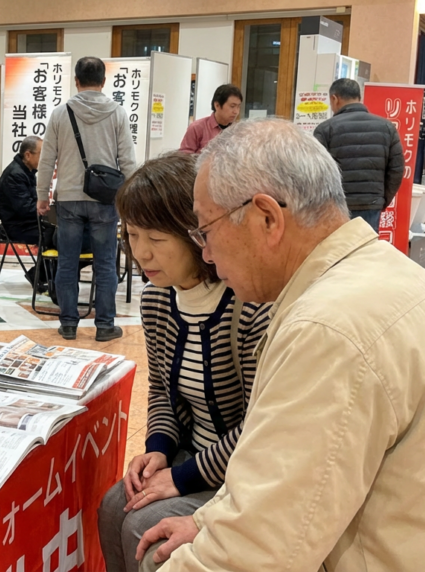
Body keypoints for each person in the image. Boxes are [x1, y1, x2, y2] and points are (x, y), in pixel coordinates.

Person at [133, 118, 425, 571]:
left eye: (206, 231)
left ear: (267, 218)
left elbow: (254, 556)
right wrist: (211, 519)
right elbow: (288, 487)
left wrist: (211, 531)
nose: (207, 254)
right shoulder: (384, 272)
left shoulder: (328, 328)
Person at [97, 153, 271, 572]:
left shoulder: (247, 305)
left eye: (156, 239)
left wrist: (180, 478)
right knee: (112, 505)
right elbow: (161, 390)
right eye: (132, 236)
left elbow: (258, 428)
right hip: (190, 456)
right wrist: (158, 449)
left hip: (241, 475)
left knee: (146, 527)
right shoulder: (158, 300)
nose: (141, 253)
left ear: (196, 236)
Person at [36, 56, 137, 342]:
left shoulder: (60, 113)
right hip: (105, 199)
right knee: (105, 264)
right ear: (104, 82)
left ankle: (68, 323)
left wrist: (42, 195)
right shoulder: (117, 113)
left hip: (68, 198)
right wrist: (133, 198)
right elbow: (127, 160)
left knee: (67, 262)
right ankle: (105, 325)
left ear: (76, 81)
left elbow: (47, 160)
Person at [313, 78, 404, 232]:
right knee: (365, 252)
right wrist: (381, 199)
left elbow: (316, 172)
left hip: (336, 206)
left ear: (335, 98)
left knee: (337, 252)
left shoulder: (325, 129)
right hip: (371, 204)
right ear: (358, 98)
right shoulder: (387, 127)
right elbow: (397, 169)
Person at [0, 135, 49, 287]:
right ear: (28, 155)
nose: (44, 159)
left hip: (25, 222)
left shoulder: (27, 171)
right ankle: (39, 275)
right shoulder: (15, 175)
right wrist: (47, 211)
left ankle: (42, 274)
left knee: (59, 234)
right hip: (15, 227)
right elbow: (25, 209)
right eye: (41, 154)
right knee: (55, 237)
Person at [178, 85, 242, 155]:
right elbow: (184, 157)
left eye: (238, 107)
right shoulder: (197, 127)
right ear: (217, 105)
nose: (236, 112)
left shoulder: (238, 130)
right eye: (232, 106)